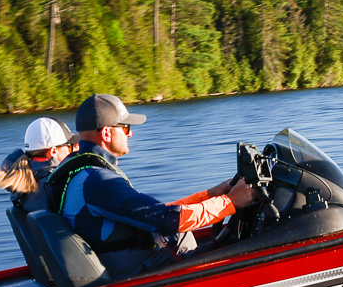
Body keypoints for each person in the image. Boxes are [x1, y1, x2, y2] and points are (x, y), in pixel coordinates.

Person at [48, 93, 253, 277]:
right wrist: (230, 202)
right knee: (246, 246)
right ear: (107, 134)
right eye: (126, 128)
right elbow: (167, 220)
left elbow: (153, 213)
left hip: (140, 260)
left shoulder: (82, 173)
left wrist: (211, 194)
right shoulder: (98, 181)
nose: (130, 134)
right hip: (145, 270)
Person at [0, 117, 78, 216]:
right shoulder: (59, 184)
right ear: (53, 151)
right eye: (70, 146)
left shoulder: (25, 180)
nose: (74, 149)